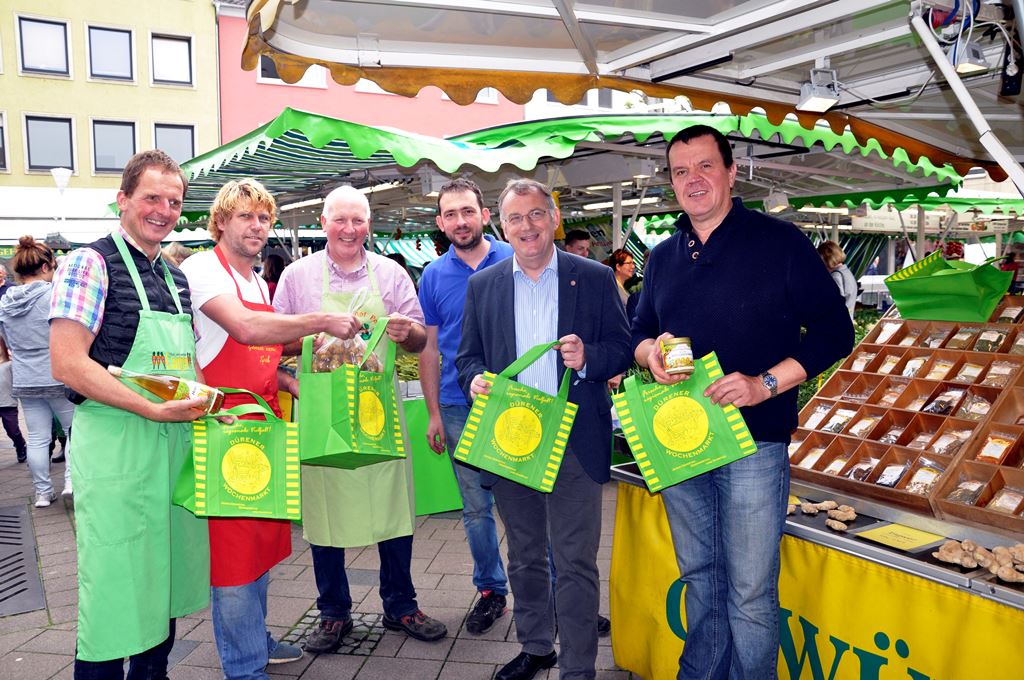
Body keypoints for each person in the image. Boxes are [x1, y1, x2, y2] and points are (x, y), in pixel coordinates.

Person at [632, 125, 853, 679]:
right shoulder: (661, 258)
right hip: (682, 443)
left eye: (705, 166)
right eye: (680, 171)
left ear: (732, 173)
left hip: (755, 445)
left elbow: (834, 330)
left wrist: (765, 384)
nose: (693, 180)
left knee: (751, 593)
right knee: (701, 577)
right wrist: (647, 355)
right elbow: (637, 332)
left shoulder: (779, 243)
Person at [180, 179, 367, 678]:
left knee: (262, 545)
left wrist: (291, 378)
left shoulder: (260, 282)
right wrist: (322, 321)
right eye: (245, 216)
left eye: (263, 218)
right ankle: (243, 666)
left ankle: (256, 643)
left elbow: (261, 354)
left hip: (265, 427)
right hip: (225, 432)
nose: (257, 226)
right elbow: (246, 330)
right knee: (235, 556)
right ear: (221, 221)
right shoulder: (202, 270)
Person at [457, 178, 631, 680]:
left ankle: (578, 668)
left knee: (576, 561)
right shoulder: (483, 286)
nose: (527, 226)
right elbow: (466, 357)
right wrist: (474, 382)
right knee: (526, 556)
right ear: (501, 225)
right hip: (511, 440)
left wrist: (588, 359)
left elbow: (621, 349)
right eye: (516, 218)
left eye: (536, 215)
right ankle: (536, 647)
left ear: (554, 219)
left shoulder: (594, 278)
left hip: (575, 440)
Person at [49, 150, 212, 678]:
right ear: (123, 201)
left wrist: (207, 404)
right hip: (117, 446)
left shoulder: (176, 279)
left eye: (174, 201)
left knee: (160, 581)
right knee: (115, 585)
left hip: (172, 448)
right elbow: (68, 363)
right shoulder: (87, 263)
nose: (163, 210)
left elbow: (185, 366)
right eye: (151, 198)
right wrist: (150, 408)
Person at [274, 185, 447, 651]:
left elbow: (417, 344)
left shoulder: (390, 274)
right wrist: (317, 328)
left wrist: (407, 331)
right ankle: (333, 613)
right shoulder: (297, 276)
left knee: (392, 508)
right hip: (322, 409)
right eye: (340, 220)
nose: (349, 229)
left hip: (379, 409)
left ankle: (401, 605)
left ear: (368, 224)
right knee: (324, 511)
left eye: (358, 220)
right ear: (323, 222)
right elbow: (274, 340)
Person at [417, 177, 513, 634]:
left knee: (531, 501)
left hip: (516, 405)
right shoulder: (434, 275)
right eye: (450, 214)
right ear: (440, 222)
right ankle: (492, 591)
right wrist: (434, 412)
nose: (460, 220)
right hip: (458, 406)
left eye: (467, 211)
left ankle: (554, 591)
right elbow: (430, 349)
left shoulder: (516, 257)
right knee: (476, 508)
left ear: (485, 215)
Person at [0, 236, 75, 506]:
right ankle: (70, 481)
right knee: (72, 430)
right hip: (56, 371)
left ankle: (43, 492)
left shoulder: (5, 303)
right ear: (46, 267)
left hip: (24, 376)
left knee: (37, 437)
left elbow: (5, 342)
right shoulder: (53, 295)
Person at [0, 340, 27, 464]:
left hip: (7, 403)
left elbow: (18, 379)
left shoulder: (9, 365)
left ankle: (20, 445)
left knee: (12, 430)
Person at [817, 240, 858, 316]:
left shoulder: (836, 275)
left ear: (827, 258)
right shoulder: (846, 272)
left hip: (837, 323)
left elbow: (835, 304)